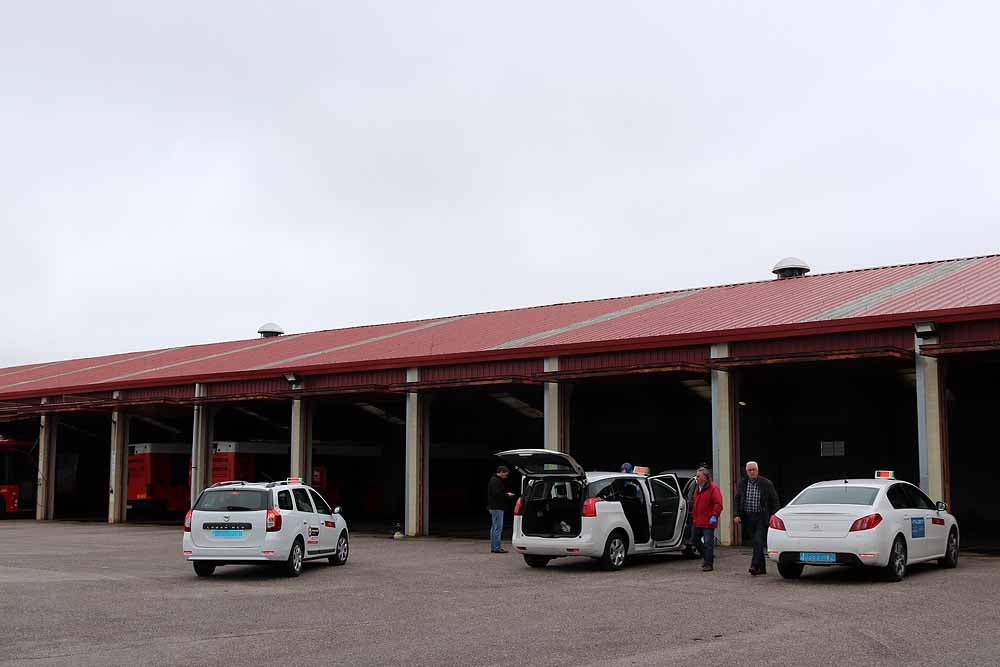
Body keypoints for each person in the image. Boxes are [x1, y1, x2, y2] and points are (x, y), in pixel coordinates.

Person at [734, 461, 780, 576]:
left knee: (758, 540)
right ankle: (762, 568)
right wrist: (736, 515)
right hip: (748, 516)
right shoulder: (742, 483)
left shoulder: (766, 483)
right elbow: (737, 500)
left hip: (761, 516)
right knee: (755, 543)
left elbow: (775, 501)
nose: (752, 472)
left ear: (758, 470)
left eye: (754, 469)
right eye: (749, 470)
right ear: (746, 471)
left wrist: (773, 515)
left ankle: (754, 565)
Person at [691, 466, 723, 572]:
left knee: (708, 542)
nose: (696, 478)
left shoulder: (713, 488)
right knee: (694, 540)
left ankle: (708, 564)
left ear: (705, 477)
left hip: (708, 521)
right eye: (696, 476)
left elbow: (718, 503)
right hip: (698, 520)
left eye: (698, 476)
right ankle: (707, 556)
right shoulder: (697, 488)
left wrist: (714, 515)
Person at [487, 466, 514, 553]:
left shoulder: (493, 480)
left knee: (494, 527)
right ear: (501, 472)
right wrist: (507, 495)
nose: (506, 477)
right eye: (505, 475)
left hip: (493, 507)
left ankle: (494, 547)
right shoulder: (496, 481)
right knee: (498, 528)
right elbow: (497, 494)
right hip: (497, 507)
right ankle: (497, 548)